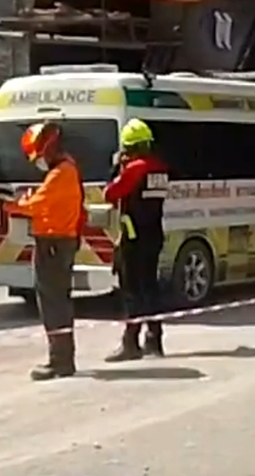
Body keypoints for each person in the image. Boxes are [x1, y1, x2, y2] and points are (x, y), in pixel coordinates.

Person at [7, 121, 85, 381]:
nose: (37, 161)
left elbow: (37, 205)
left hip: (53, 243)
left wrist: (13, 204)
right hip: (57, 242)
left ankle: (60, 361)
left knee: (53, 303)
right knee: (56, 301)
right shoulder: (64, 171)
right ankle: (62, 358)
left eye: (38, 156)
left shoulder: (61, 173)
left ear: (49, 149)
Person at [103, 118, 170, 361]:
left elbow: (110, 193)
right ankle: (154, 340)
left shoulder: (135, 168)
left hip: (134, 237)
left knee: (132, 290)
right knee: (150, 288)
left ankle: (130, 343)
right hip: (153, 233)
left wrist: (115, 168)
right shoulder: (160, 167)